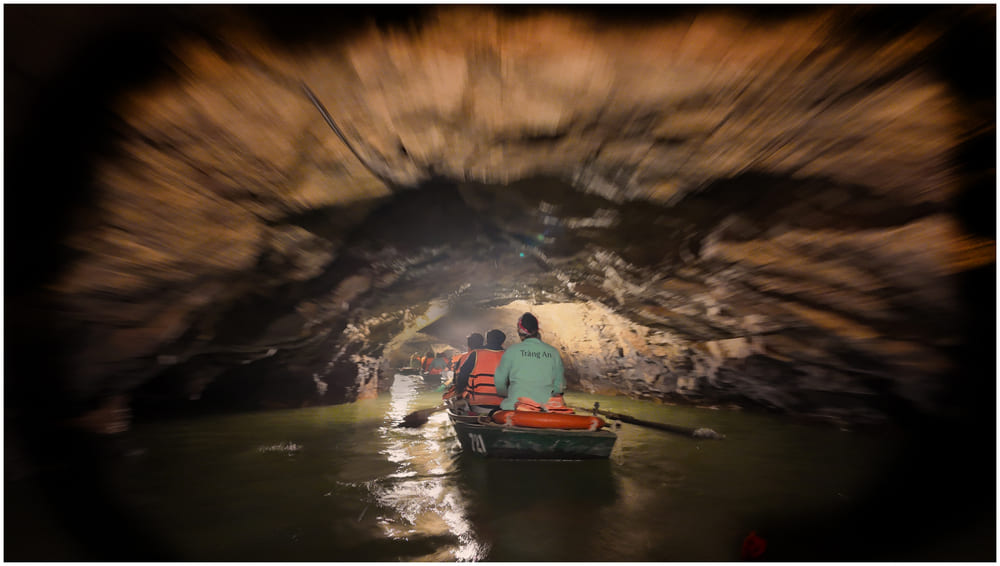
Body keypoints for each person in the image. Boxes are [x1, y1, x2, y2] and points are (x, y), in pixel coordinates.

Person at [493, 312, 569, 412]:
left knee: (494, 414)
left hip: (516, 407)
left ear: (519, 331)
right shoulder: (553, 352)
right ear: (537, 330)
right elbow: (560, 386)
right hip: (545, 408)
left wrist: (506, 394)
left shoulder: (512, 351)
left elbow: (499, 381)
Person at [454, 329, 506, 412]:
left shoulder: (476, 354)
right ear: (503, 343)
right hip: (503, 407)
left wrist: (459, 393)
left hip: (480, 405)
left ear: (487, 341)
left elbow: (462, 376)